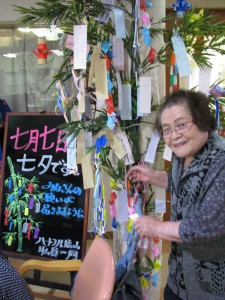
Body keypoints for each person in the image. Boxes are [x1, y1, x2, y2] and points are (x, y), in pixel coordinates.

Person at [126, 90, 225, 300]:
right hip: (178, 278)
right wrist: (153, 176)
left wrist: (155, 227)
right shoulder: (184, 153)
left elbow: (204, 227)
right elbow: (184, 186)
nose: (174, 135)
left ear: (201, 119)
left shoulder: (220, 162)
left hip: (209, 288)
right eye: (167, 130)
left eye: (181, 124)